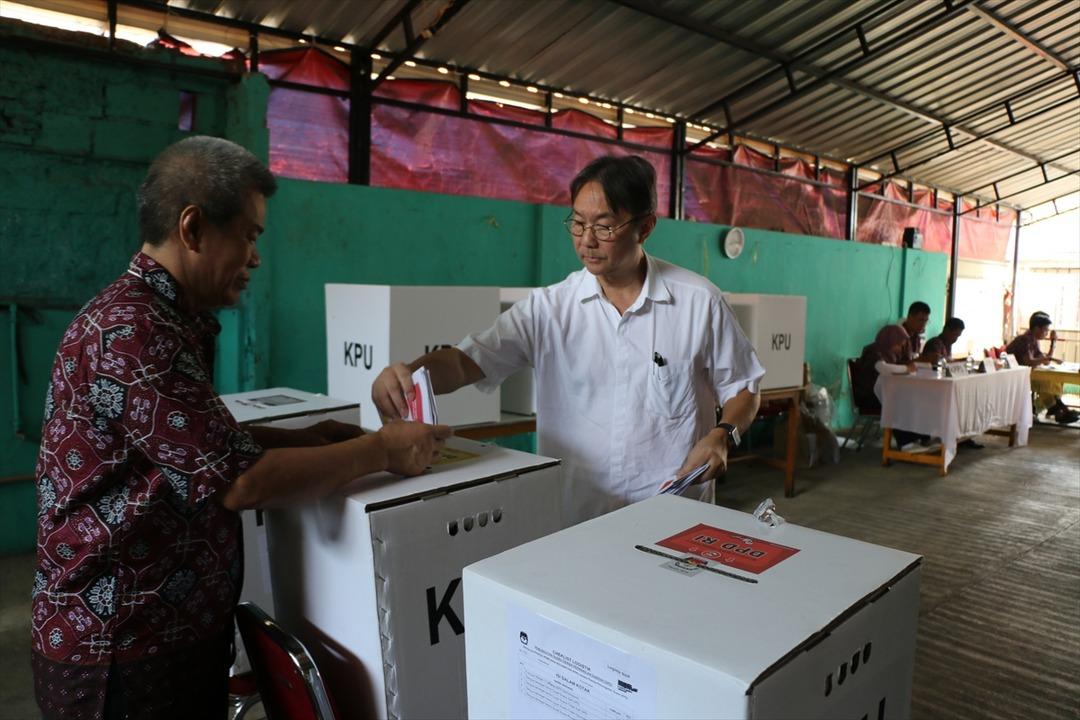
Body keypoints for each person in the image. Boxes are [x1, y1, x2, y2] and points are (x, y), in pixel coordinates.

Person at [30, 136, 451, 720]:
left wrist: (320, 440)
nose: (256, 257)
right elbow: (242, 481)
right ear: (194, 228)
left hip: (163, 635)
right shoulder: (133, 330)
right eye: (250, 236)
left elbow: (207, 448)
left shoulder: (166, 319)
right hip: (122, 650)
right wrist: (381, 449)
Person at [372, 155, 764, 526]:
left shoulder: (697, 302)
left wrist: (722, 435)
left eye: (604, 226)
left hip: (673, 515)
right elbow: (464, 362)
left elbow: (744, 388)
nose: (587, 241)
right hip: (576, 518)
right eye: (578, 224)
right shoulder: (549, 310)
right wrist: (409, 374)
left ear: (645, 227)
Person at [852, 325, 929, 451]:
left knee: (914, 400)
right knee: (898, 403)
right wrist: (907, 369)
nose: (900, 349)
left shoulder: (889, 353)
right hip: (868, 396)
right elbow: (883, 368)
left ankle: (918, 437)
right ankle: (905, 443)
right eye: (898, 344)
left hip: (884, 392)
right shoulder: (874, 351)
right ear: (889, 340)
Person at [1006, 311, 1078, 424]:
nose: (1047, 333)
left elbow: (1045, 361)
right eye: (1045, 330)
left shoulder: (1033, 339)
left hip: (1026, 374)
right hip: (1015, 377)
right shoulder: (1025, 339)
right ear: (1036, 328)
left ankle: (1057, 409)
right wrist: (1048, 359)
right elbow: (1029, 361)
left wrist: (1053, 342)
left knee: (1053, 381)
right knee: (1046, 382)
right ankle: (1059, 410)